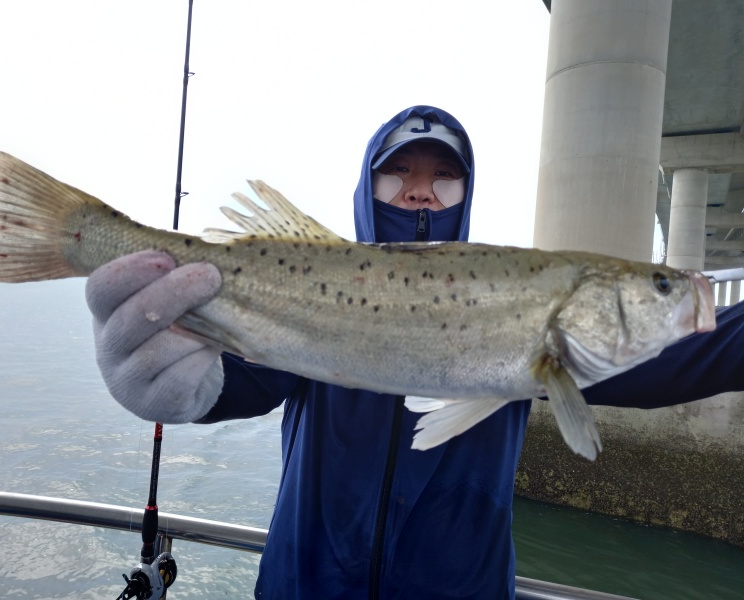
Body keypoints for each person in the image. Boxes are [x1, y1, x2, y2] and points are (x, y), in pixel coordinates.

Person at [86, 105, 744, 599]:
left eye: (444, 175)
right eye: (398, 171)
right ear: (367, 186)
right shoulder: (309, 284)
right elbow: (244, 380)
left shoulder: (568, 348)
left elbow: (703, 353)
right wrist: (183, 382)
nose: (421, 188)